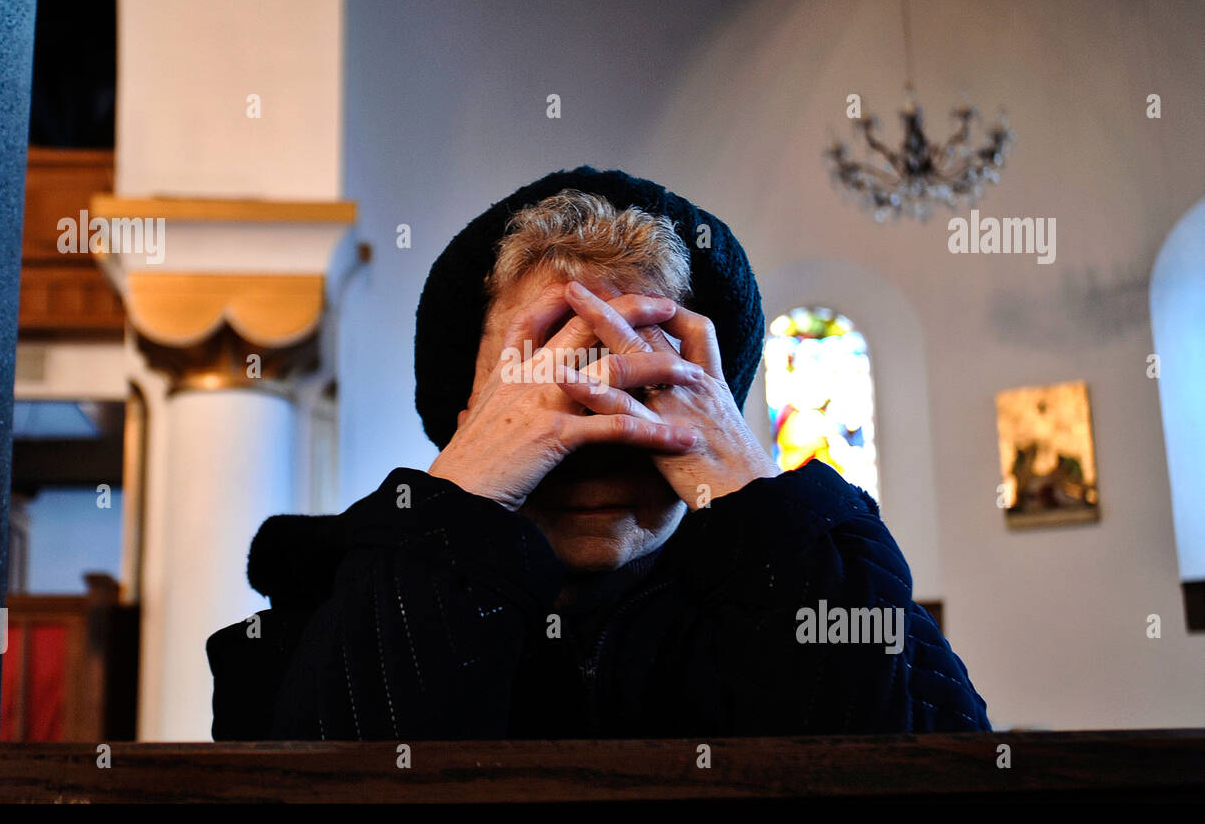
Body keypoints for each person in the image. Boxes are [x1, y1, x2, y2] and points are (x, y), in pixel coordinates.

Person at [206, 165, 991, 739]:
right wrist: (455, 518)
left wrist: (758, 509)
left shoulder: (830, 579)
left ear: (713, 407)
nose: (595, 435)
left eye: (645, 379)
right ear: (469, 419)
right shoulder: (319, 606)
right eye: (545, 379)